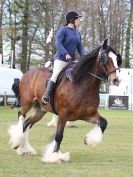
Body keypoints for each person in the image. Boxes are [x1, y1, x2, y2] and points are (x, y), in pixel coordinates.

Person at [42, 10, 85, 104]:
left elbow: (80, 47)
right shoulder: (63, 30)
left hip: (72, 60)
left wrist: (84, 57)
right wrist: (65, 53)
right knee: (55, 74)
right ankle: (47, 95)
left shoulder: (77, 32)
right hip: (61, 59)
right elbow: (58, 43)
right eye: (78, 19)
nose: (79, 21)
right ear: (71, 20)